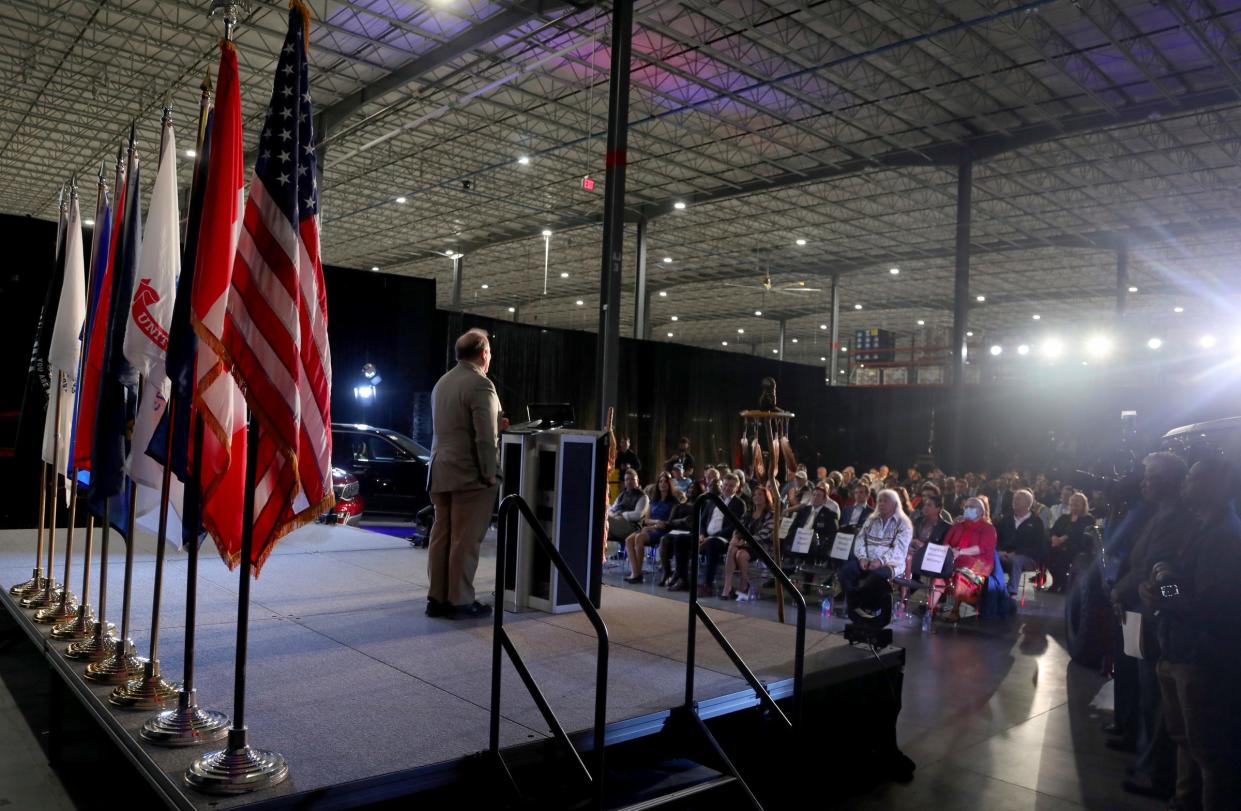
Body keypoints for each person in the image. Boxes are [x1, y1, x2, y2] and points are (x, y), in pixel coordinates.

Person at [1144, 458, 1241, 811]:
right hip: (1179, 648)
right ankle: (1184, 801)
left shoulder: (1224, 536)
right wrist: (1166, 577)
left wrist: (1163, 589)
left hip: (1200, 654)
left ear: (1215, 487)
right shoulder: (1202, 526)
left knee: (1208, 751)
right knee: (1184, 739)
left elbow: (1204, 601)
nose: (1185, 484)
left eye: (1194, 479)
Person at [1111, 452, 1190, 800]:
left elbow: (1164, 575)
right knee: (1138, 684)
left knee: (1155, 698)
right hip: (1139, 608)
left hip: (1157, 617)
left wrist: (1124, 588)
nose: (1144, 482)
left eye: (1151, 476)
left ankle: (1156, 771)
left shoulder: (1178, 520)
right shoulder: (1158, 513)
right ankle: (1142, 752)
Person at [426, 328, 501, 620]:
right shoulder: (481, 385)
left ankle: (437, 598)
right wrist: (489, 472)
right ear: (484, 353)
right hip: (469, 473)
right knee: (465, 539)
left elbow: (453, 426)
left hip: (440, 469)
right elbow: (485, 438)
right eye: (489, 353)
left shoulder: (442, 383)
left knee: (441, 536)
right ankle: (460, 601)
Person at [838, 489, 912, 621]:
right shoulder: (871, 519)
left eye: (885, 501)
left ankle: (861, 606)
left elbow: (899, 550)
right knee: (846, 571)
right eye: (880, 501)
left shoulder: (904, 523)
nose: (881, 504)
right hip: (867, 560)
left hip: (891, 564)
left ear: (895, 504)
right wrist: (862, 558)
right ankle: (857, 605)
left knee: (875, 576)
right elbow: (860, 540)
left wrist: (880, 561)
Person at [940, 496, 998, 621]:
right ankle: (932, 606)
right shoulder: (958, 526)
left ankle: (955, 610)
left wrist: (960, 552)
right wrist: (951, 551)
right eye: (966, 507)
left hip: (980, 562)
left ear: (981, 511)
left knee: (962, 572)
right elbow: (946, 542)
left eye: (972, 507)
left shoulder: (988, 528)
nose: (967, 509)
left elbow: (983, 548)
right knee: (937, 568)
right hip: (955, 557)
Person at [721, 484, 775, 602]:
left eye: (760, 495)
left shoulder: (771, 515)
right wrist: (735, 537)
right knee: (734, 549)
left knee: (740, 553)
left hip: (761, 546)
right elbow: (738, 527)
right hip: (744, 545)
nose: (756, 497)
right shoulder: (748, 513)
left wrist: (743, 541)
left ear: (766, 497)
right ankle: (728, 585)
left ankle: (742, 584)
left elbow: (764, 535)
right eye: (755, 495)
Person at [622, 472, 677, 584]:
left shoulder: (674, 502)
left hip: (662, 531)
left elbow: (668, 523)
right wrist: (655, 522)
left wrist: (655, 526)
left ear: (669, 484)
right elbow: (646, 520)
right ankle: (635, 572)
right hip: (650, 528)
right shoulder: (654, 500)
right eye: (660, 481)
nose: (663, 484)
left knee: (639, 538)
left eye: (665, 482)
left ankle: (637, 574)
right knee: (628, 540)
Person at [698, 473, 745, 597]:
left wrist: (711, 537)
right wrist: (702, 534)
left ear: (736, 488)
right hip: (706, 536)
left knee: (712, 544)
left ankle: (707, 585)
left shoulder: (739, 504)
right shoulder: (713, 500)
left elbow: (735, 526)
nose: (727, 488)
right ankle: (681, 578)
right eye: (725, 485)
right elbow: (702, 521)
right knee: (681, 539)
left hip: (724, 539)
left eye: (731, 486)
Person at [996, 488, 1046, 596]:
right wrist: (998, 551)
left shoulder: (1037, 522)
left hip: (1027, 558)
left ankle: (1011, 591)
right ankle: (987, 587)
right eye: (1014, 499)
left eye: (1018, 499)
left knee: (1016, 560)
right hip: (1004, 554)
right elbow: (996, 538)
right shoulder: (1006, 519)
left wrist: (1017, 552)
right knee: (990, 556)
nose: (1015, 501)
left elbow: (1038, 547)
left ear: (1028, 503)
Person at [1047, 492, 1094, 592]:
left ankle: (1063, 583)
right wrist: (1054, 537)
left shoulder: (1088, 519)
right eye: (1072, 502)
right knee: (1045, 553)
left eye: (1077, 503)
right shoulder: (1064, 517)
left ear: (1083, 505)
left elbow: (1081, 533)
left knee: (1063, 554)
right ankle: (1056, 581)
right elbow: (1053, 529)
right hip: (1059, 544)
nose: (1074, 505)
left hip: (1077, 546)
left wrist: (1063, 538)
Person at [659, 481, 702, 591]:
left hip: (691, 534)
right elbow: (671, 522)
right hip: (678, 531)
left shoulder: (701, 506)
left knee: (679, 541)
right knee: (664, 539)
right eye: (690, 488)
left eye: (694, 488)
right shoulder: (680, 505)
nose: (691, 490)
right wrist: (683, 520)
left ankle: (678, 575)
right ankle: (667, 571)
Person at [783, 482, 839, 564]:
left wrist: (817, 539)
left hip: (815, 545)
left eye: (818, 495)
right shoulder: (804, 510)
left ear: (824, 500)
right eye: (814, 495)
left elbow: (832, 535)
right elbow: (793, 528)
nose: (815, 497)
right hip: (799, 540)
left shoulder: (830, 515)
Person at [608, 469, 649, 550]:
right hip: (616, 523)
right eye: (627, 479)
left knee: (602, 521)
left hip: (631, 527)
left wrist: (622, 515)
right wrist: (614, 515)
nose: (629, 481)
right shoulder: (622, 494)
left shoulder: (643, 497)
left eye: (632, 479)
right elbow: (612, 509)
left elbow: (638, 515)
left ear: (637, 481)